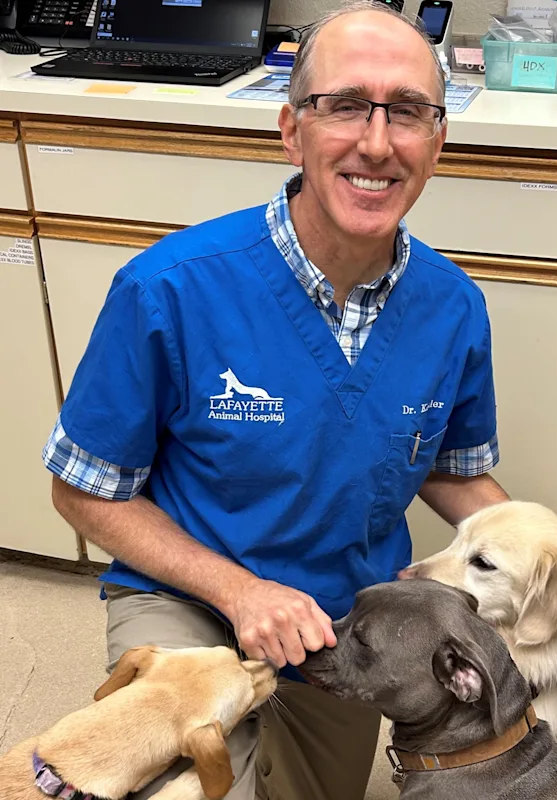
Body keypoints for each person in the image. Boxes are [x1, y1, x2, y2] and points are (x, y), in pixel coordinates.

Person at [41, 4, 512, 799]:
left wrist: (554, 570)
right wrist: (239, 590)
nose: (376, 141)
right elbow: (82, 487)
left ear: (437, 142)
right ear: (291, 130)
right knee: (172, 787)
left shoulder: (454, 307)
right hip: (186, 597)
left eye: (407, 112)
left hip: (342, 620)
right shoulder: (169, 289)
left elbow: (455, 474)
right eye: (346, 106)